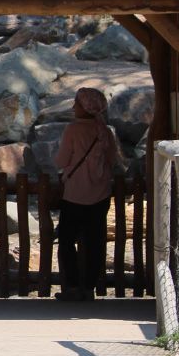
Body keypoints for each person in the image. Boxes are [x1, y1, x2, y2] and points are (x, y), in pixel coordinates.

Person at [54, 87, 123, 302]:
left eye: (76, 103)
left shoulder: (73, 130)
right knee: (95, 242)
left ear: (84, 107)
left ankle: (73, 285)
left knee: (66, 240)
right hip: (100, 194)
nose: (73, 107)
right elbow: (113, 160)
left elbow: (61, 161)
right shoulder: (106, 131)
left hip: (74, 194)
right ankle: (89, 286)